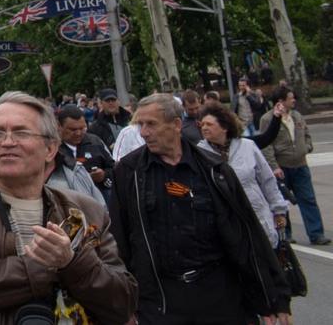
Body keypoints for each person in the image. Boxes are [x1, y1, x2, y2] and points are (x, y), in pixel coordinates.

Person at [0, 92, 136, 324]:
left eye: (21, 132)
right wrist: (44, 268)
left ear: (50, 149)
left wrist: (72, 262)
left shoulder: (86, 210)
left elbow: (122, 301)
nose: (7, 142)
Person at [112, 93, 289, 323]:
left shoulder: (214, 170)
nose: (144, 132)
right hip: (161, 303)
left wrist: (273, 297)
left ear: (176, 125)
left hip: (221, 296)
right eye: (141, 125)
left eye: (151, 124)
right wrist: (125, 306)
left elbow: (247, 236)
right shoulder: (128, 172)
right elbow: (120, 241)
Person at [197, 102, 290, 247]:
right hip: (225, 224)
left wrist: (279, 210)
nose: (204, 128)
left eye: (209, 124)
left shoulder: (247, 146)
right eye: (202, 124)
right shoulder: (199, 154)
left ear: (225, 127)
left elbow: (267, 180)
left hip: (257, 217)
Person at [260, 85, 326, 245]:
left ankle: (316, 234)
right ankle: (286, 234)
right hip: (281, 168)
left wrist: (307, 147)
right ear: (281, 101)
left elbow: (307, 134)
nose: (294, 100)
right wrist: (274, 166)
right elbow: (265, 145)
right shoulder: (267, 119)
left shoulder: (297, 116)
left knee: (308, 199)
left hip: (301, 166)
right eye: (291, 98)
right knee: (281, 204)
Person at [55, 106, 113, 206]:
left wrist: (104, 175)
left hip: (99, 204)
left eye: (82, 128)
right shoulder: (51, 148)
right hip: (66, 204)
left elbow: (113, 167)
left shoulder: (95, 142)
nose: (78, 133)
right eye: (72, 129)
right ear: (59, 126)